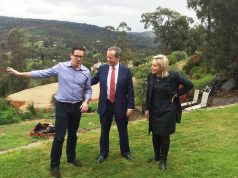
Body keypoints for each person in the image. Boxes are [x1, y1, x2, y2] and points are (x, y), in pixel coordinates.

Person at [6, 47, 92, 178]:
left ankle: (71, 158)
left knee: (73, 135)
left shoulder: (86, 71)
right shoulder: (61, 67)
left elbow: (88, 89)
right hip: (62, 106)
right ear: (71, 55)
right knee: (59, 137)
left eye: (81, 56)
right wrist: (19, 74)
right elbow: (41, 73)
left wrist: (86, 101)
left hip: (77, 107)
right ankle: (54, 167)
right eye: (76, 56)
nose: (78, 58)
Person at [144, 54, 193, 171]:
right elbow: (148, 93)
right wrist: (147, 108)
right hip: (154, 110)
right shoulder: (151, 76)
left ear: (162, 67)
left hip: (167, 110)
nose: (152, 67)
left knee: (164, 136)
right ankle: (156, 157)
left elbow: (189, 84)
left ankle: (163, 160)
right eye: (152, 65)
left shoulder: (173, 76)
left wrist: (177, 93)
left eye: (155, 66)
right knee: (155, 134)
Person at [91, 46, 135, 163]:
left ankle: (125, 152)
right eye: (107, 57)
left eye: (111, 58)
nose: (108, 60)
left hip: (120, 105)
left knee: (123, 130)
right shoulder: (103, 68)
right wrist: (80, 81)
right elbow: (92, 80)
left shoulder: (126, 70)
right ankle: (103, 153)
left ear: (118, 57)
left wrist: (130, 106)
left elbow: (130, 91)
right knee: (104, 130)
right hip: (105, 105)